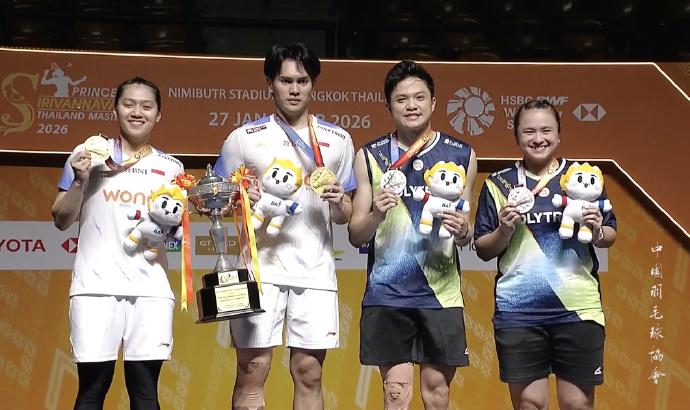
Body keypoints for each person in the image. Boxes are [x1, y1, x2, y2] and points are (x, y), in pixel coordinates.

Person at [214, 43, 355, 410]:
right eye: (286, 81)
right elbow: (215, 202)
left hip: (315, 272)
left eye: (302, 81)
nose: (294, 89)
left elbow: (344, 215)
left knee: (309, 372)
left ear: (313, 85)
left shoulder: (339, 141)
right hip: (258, 271)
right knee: (251, 371)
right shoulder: (243, 138)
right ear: (270, 85)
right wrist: (239, 196)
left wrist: (339, 200)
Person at [348, 60, 478, 410]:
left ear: (433, 102)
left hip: (441, 295)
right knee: (396, 395)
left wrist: (463, 230)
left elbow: (466, 233)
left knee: (437, 395)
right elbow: (356, 235)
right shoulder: (370, 156)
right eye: (402, 99)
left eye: (419, 97)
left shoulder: (462, 155)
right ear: (388, 105)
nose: (411, 105)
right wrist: (376, 213)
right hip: (388, 294)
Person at [473, 99, 617, 410]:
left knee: (577, 404)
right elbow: (483, 249)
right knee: (530, 403)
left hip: (578, 308)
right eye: (529, 132)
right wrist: (504, 230)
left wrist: (596, 230)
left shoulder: (584, 178)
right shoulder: (498, 183)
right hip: (518, 311)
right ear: (517, 137)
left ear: (559, 134)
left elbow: (609, 236)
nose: (538, 138)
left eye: (546, 130)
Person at [52, 77, 184, 409]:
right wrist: (80, 181)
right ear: (116, 109)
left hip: (150, 290)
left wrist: (172, 228)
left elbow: (173, 233)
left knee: (145, 392)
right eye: (129, 104)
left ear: (158, 115)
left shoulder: (171, 168)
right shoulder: (87, 156)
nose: (137, 112)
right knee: (92, 390)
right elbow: (61, 219)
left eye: (146, 106)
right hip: (95, 288)